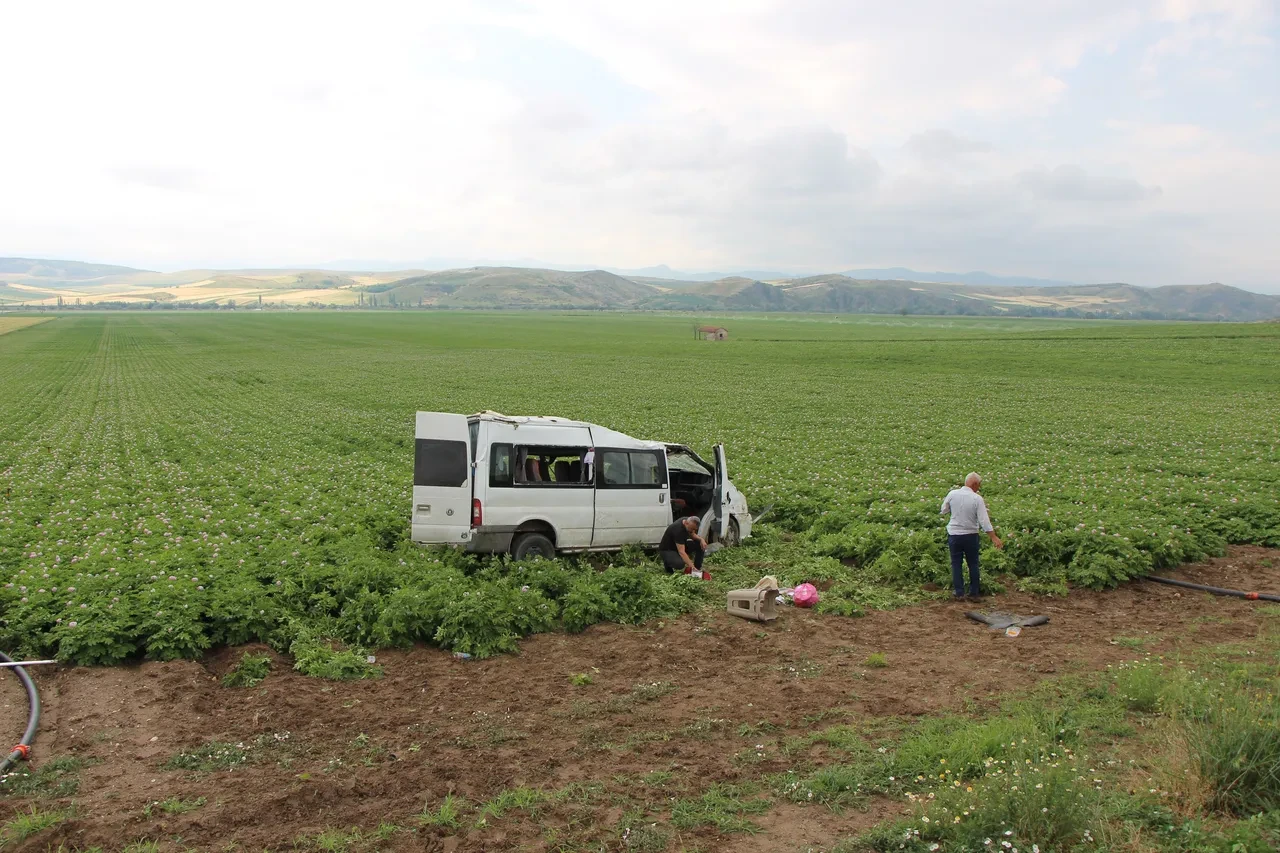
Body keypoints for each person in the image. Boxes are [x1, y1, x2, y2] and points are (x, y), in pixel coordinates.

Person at [941, 473, 1003, 600]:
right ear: (974, 484)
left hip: (954, 534)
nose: (979, 488)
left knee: (956, 563)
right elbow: (984, 521)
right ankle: (974, 593)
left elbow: (944, 510)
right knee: (973, 563)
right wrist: (993, 537)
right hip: (970, 535)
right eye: (979, 485)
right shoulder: (977, 498)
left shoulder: (952, 494)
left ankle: (959, 593)